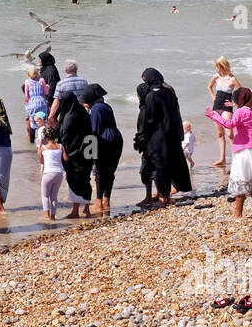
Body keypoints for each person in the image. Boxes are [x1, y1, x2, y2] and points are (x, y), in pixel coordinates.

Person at [205, 88, 252, 218]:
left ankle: (238, 214)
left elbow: (229, 124)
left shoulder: (241, 112)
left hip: (243, 151)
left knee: (241, 182)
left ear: (240, 100)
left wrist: (213, 115)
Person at [136, 68, 193, 208]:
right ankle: (167, 196)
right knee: (169, 165)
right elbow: (176, 113)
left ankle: (163, 199)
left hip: (158, 137)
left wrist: (142, 138)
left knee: (160, 166)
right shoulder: (169, 92)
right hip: (172, 135)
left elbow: (149, 120)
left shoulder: (151, 97)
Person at [81, 84, 123, 216]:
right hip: (116, 138)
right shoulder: (106, 106)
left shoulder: (96, 109)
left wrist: (87, 152)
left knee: (99, 173)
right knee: (109, 172)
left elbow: (94, 131)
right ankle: (106, 201)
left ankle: (98, 202)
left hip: (104, 141)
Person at [58, 89, 94, 218]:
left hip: (75, 155)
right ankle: (87, 210)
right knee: (86, 179)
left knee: (74, 180)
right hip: (88, 150)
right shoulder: (82, 112)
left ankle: (75, 211)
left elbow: (64, 137)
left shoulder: (68, 118)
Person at [207, 57, 241, 167]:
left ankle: (237, 156)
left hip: (227, 108)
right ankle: (222, 159)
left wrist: (234, 104)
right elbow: (209, 87)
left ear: (221, 66)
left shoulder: (232, 79)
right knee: (220, 133)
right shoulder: (216, 77)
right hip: (216, 107)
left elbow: (241, 92)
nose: (216, 69)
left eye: (216, 66)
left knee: (229, 133)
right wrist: (213, 97)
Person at [38, 126, 65, 220]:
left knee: (45, 196)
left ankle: (46, 216)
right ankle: (53, 216)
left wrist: (40, 143)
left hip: (48, 173)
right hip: (59, 173)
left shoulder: (43, 148)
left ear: (45, 137)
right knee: (54, 196)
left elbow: (42, 161)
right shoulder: (60, 146)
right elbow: (66, 159)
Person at [49, 59, 87, 125]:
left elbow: (56, 102)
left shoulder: (61, 84)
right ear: (76, 69)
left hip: (67, 114)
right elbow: (87, 98)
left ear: (66, 70)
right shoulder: (84, 82)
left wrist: (50, 116)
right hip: (81, 112)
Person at [22, 66, 50, 143]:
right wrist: (47, 87)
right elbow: (45, 92)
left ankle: (31, 141)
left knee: (33, 122)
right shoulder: (41, 80)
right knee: (42, 121)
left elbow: (27, 95)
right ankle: (44, 140)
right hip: (41, 102)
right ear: (37, 73)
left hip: (32, 103)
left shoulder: (27, 81)